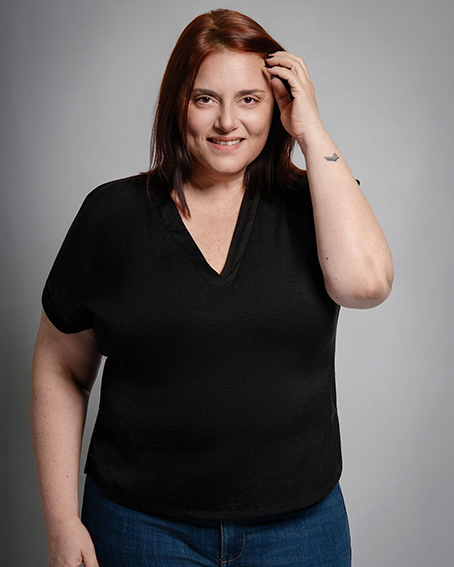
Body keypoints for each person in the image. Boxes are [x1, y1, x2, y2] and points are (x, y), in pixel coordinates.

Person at [31, 8, 393, 567]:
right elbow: (61, 366)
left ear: (278, 105)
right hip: (141, 529)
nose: (227, 121)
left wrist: (312, 129)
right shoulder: (112, 215)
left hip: (299, 531)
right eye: (205, 98)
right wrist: (60, 521)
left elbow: (365, 285)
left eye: (250, 99)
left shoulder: (318, 202)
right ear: (177, 104)